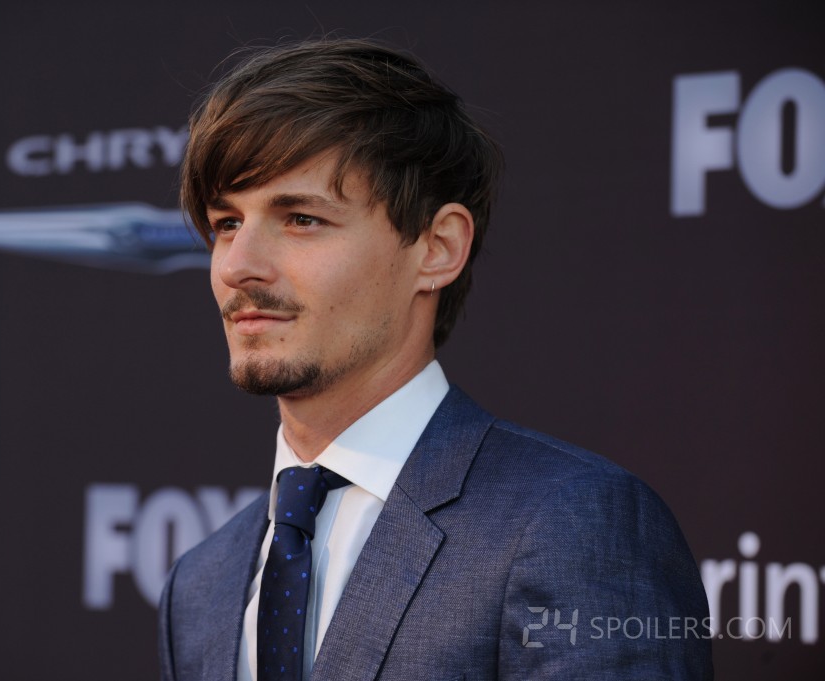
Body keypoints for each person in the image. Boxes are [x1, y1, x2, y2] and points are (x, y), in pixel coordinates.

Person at [159, 38, 712, 681]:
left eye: (302, 218)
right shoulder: (201, 583)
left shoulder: (571, 525)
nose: (238, 266)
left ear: (438, 248)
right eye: (226, 223)